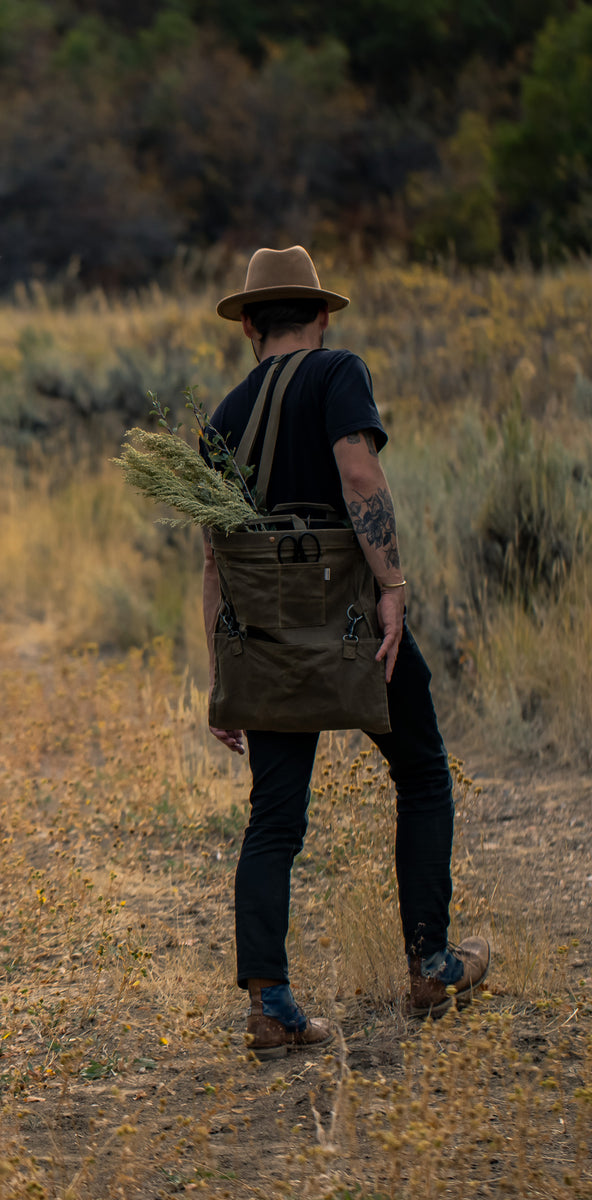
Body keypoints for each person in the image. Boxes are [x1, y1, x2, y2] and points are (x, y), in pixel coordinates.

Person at [202, 246, 490, 1060]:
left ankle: (270, 1005)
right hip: (355, 633)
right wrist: (392, 585)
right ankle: (431, 965)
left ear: (250, 325)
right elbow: (359, 476)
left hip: (265, 642)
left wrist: (223, 674)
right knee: (423, 773)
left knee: (275, 818)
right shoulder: (338, 373)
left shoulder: (223, 417)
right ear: (322, 316)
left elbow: (216, 557)